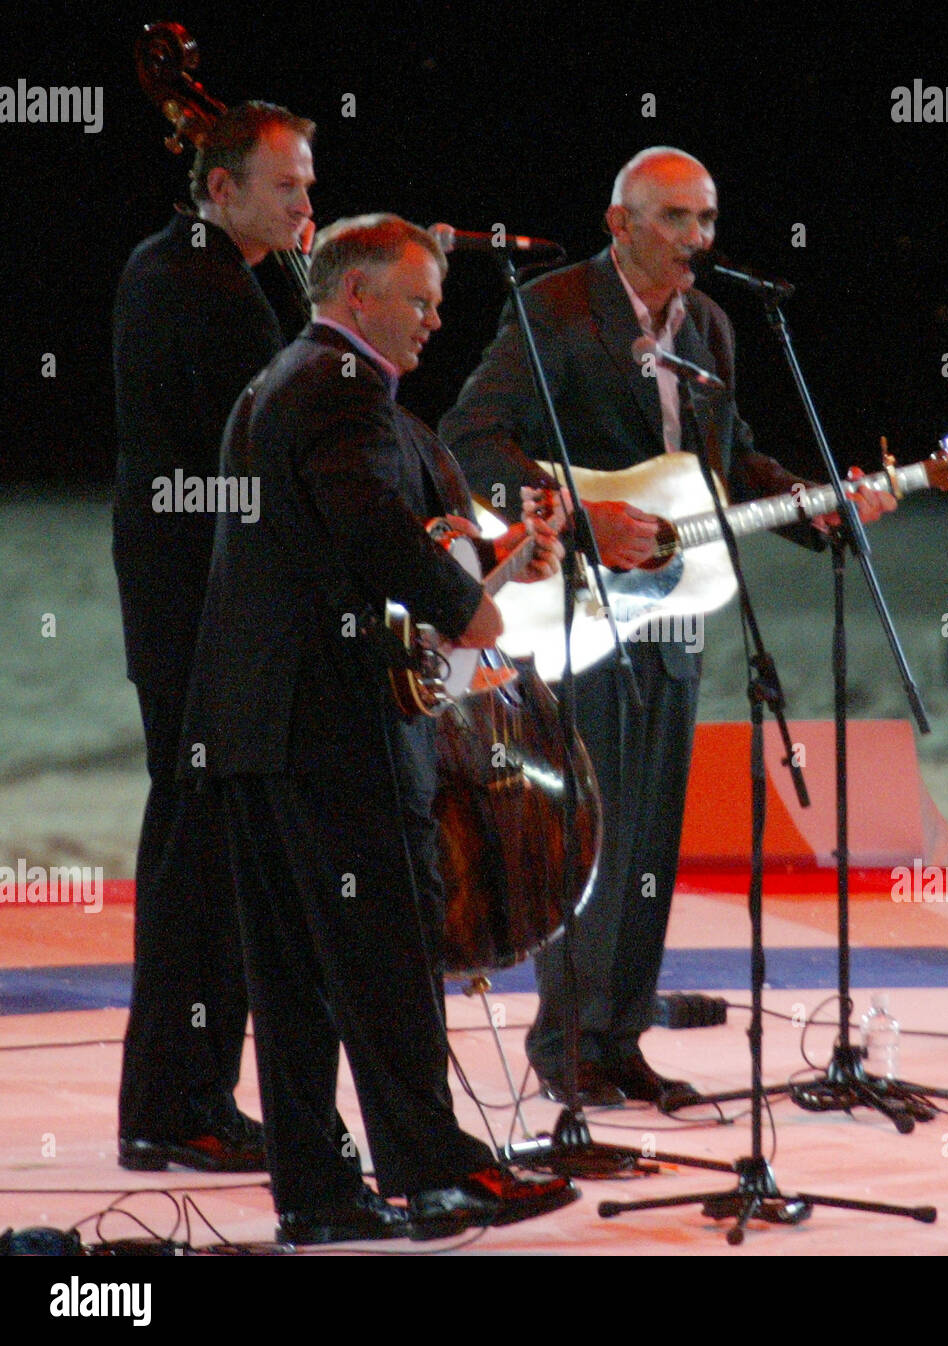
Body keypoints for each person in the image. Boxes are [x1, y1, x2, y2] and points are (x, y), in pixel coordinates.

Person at [440, 147, 896, 1108]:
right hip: (578, 610)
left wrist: (814, 505)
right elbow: (468, 442)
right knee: (589, 830)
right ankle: (566, 1046)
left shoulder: (717, 325)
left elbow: (724, 467)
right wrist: (575, 511)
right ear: (621, 223)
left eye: (708, 220)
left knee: (649, 832)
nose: (699, 239)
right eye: (678, 219)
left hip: (676, 608)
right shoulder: (556, 310)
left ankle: (619, 1037)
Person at [182, 213, 576, 1244]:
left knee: (297, 969)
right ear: (358, 296)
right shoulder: (340, 389)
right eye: (420, 298)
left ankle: (315, 1192)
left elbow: (368, 533)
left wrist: (489, 555)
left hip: (261, 727)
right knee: (385, 951)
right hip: (333, 726)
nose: (436, 319)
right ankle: (435, 1173)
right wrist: (469, 606)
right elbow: (370, 530)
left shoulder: (287, 383)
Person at [111, 100, 315, 1172]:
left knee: (203, 853)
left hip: (184, 594)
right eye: (287, 186)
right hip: (204, 603)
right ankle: (177, 1103)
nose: (306, 203)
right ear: (222, 186)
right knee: (204, 860)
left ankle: (179, 1097)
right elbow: (272, 439)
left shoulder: (182, 261)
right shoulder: (201, 278)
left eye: (309, 185)